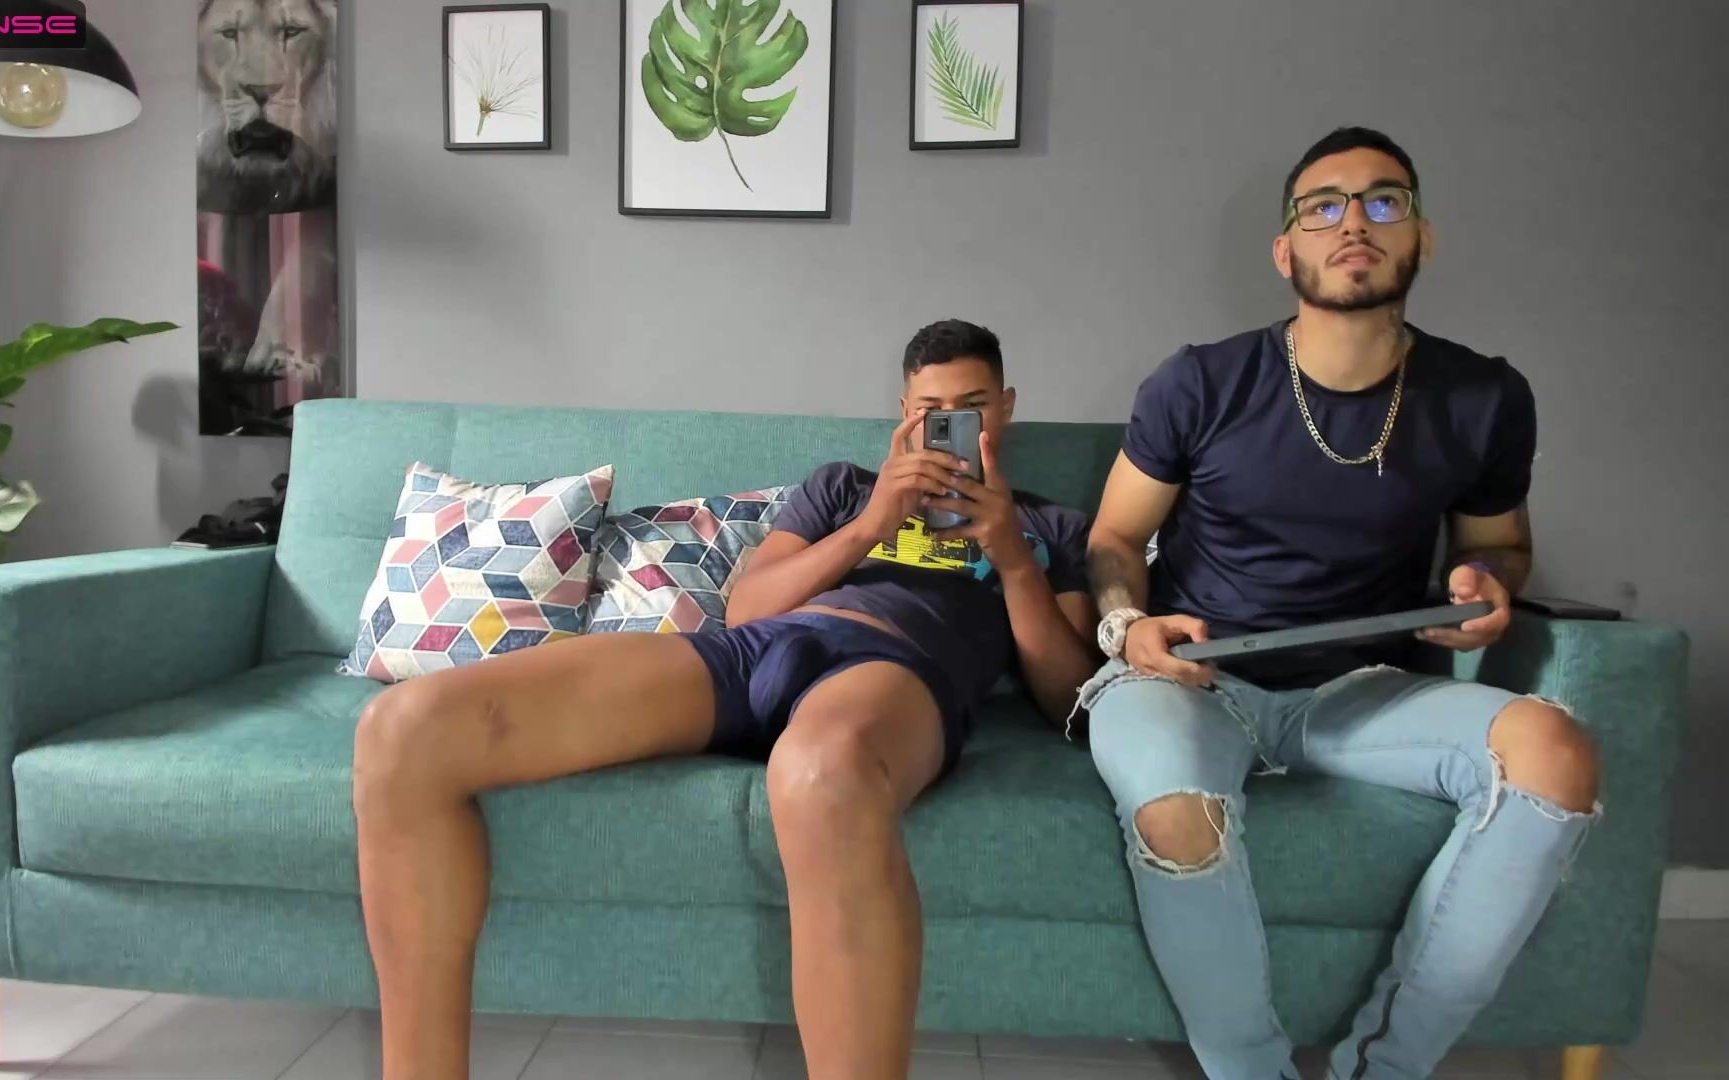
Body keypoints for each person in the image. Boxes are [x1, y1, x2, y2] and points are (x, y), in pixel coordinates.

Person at [353, 318, 1099, 1080]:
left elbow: (1067, 696)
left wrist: (1011, 557)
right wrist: (873, 524)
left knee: (822, 775)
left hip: (896, 669)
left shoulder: (1049, 527)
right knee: (404, 730)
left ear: (1007, 407)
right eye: (930, 412)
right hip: (760, 649)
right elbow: (748, 608)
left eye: (972, 408)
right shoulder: (844, 488)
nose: (951, 430)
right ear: (904, 413)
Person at [1079, 127, 1600, 1080]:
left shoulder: (1483, 395)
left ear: (1421, 237)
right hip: (1193, 680)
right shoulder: (1200, 381)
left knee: (1555, 753)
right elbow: (1113, 539)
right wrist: (1127, 626)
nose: (1353, 222)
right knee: (1173, 808)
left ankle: (1383, 1069)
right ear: (1287, 252)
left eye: (1382, 201)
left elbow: (1499, 545)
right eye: (1323, 206)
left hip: (1362, 690)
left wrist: (1488, 584)